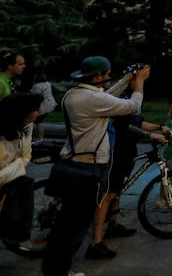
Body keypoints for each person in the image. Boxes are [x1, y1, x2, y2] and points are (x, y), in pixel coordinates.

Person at [41, 56, 149, 276]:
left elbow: (106, 97)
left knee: (65, 225)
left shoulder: (75, 94)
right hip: (87, 169)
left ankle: (53, 268)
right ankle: (59, 272)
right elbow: (132, 107)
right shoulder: (91, 100)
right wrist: (139, 84)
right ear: (98, 76)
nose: (108, 78)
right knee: (75, 227)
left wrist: (126, 78)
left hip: (73, 164)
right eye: (107, 75)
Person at [87, 75, 170, 260]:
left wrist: (159, 127)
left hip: (127, 151)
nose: (142, 82)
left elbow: (137, 122)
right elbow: (125, 127)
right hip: (116, 151)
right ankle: (96, 242)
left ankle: (113, 224)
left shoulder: (133, 100)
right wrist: (151, 136)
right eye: (138, 79)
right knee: (107, 194)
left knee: (118, 190)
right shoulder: (120, 100)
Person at [0, 93, 42, 250]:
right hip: (6, 177)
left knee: (24, 184)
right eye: (36, 109)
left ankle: (17, 235)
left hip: (9, 177)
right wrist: (17, 166)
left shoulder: (23, 129)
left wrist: (17, 166)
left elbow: (25, 157)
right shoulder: (4, 136)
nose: (39, 112)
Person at [30, 70, 57, 141]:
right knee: (38, 120)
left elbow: (36, 97)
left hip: (43, 104)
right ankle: (38, 136)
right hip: (50, 103)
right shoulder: (48, 83)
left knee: (38, 120)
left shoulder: (37, 86)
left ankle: (40, 137)